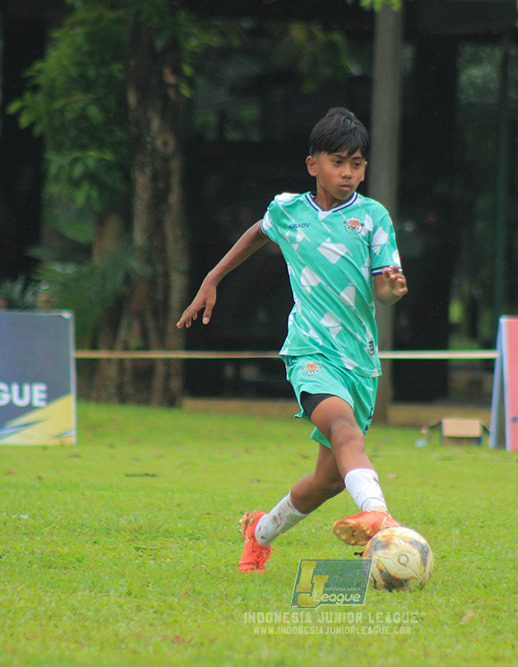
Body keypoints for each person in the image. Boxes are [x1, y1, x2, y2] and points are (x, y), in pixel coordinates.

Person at [177, 107, 408, 573]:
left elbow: (384, 289)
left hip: (359, 361)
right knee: (343, 430)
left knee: (328, 480)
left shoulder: (372, 218)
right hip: (309, 351)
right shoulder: (287, 210)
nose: (348, 172)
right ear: (313, 165)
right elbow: (257, 234)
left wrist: (391, 289)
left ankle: (259, 531)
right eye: (338, 161)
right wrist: (212, 278)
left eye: (358, 163)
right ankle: (380, 514)